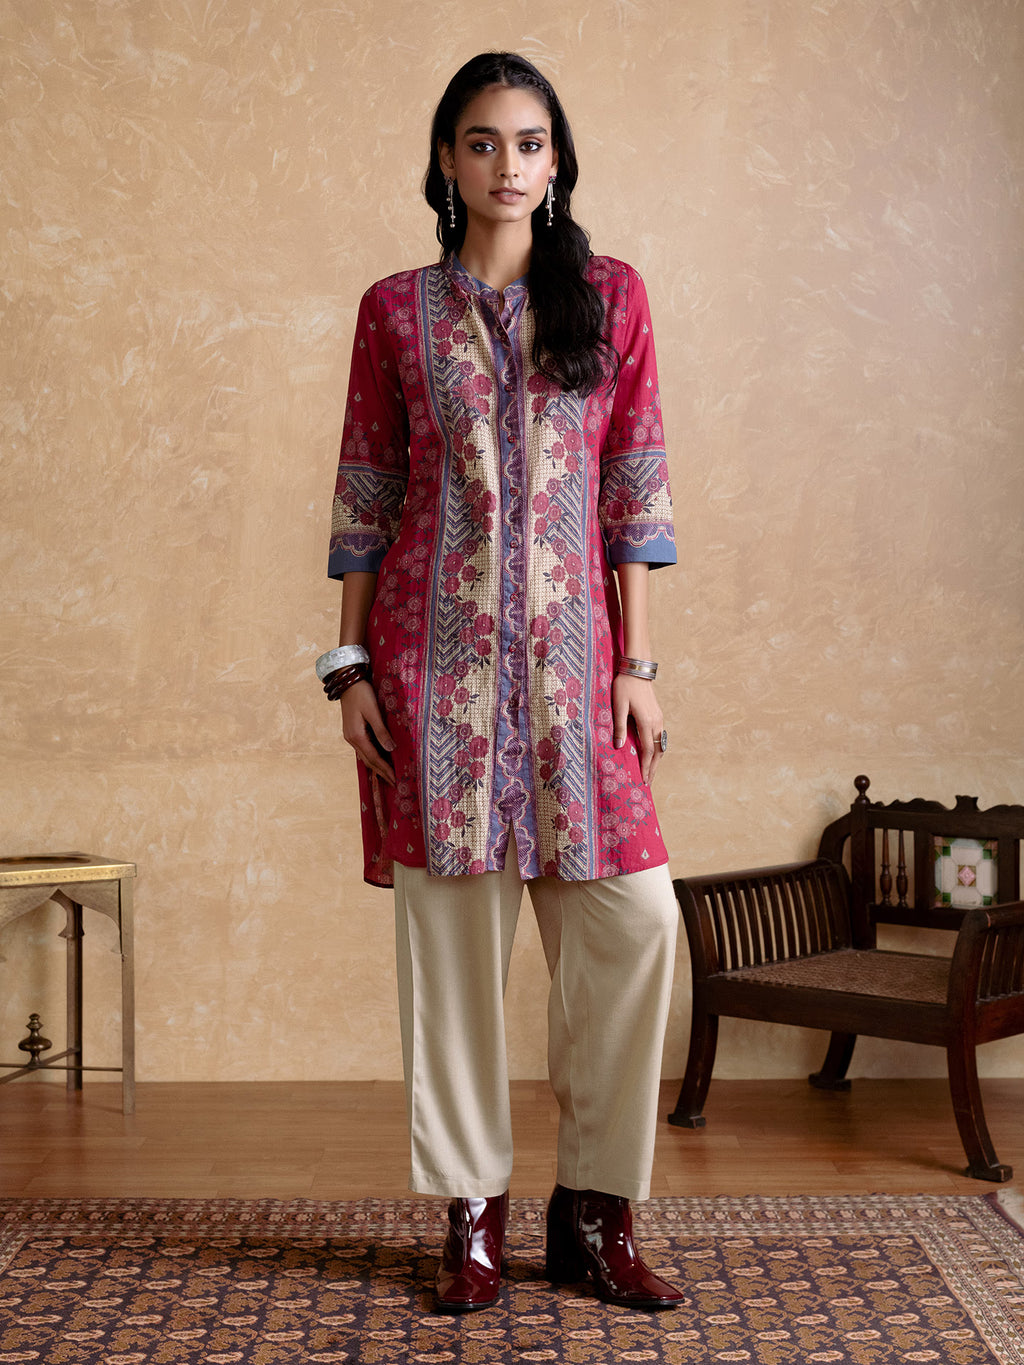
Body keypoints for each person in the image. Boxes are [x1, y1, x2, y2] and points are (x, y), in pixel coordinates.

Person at [319, 51, 683, 1315]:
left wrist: (638, 663)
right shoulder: (394, 312)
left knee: (636, 927)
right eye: (481, 143)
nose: (507, 164)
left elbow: (634, 488)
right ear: (445, 161)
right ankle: (471, 1217)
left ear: (558, 160)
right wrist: (346, 664)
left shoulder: (615, 301)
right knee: (452, 957)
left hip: (584, 683)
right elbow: (368, 489)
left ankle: (594, 1212)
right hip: (436, 674)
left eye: (529, 143)